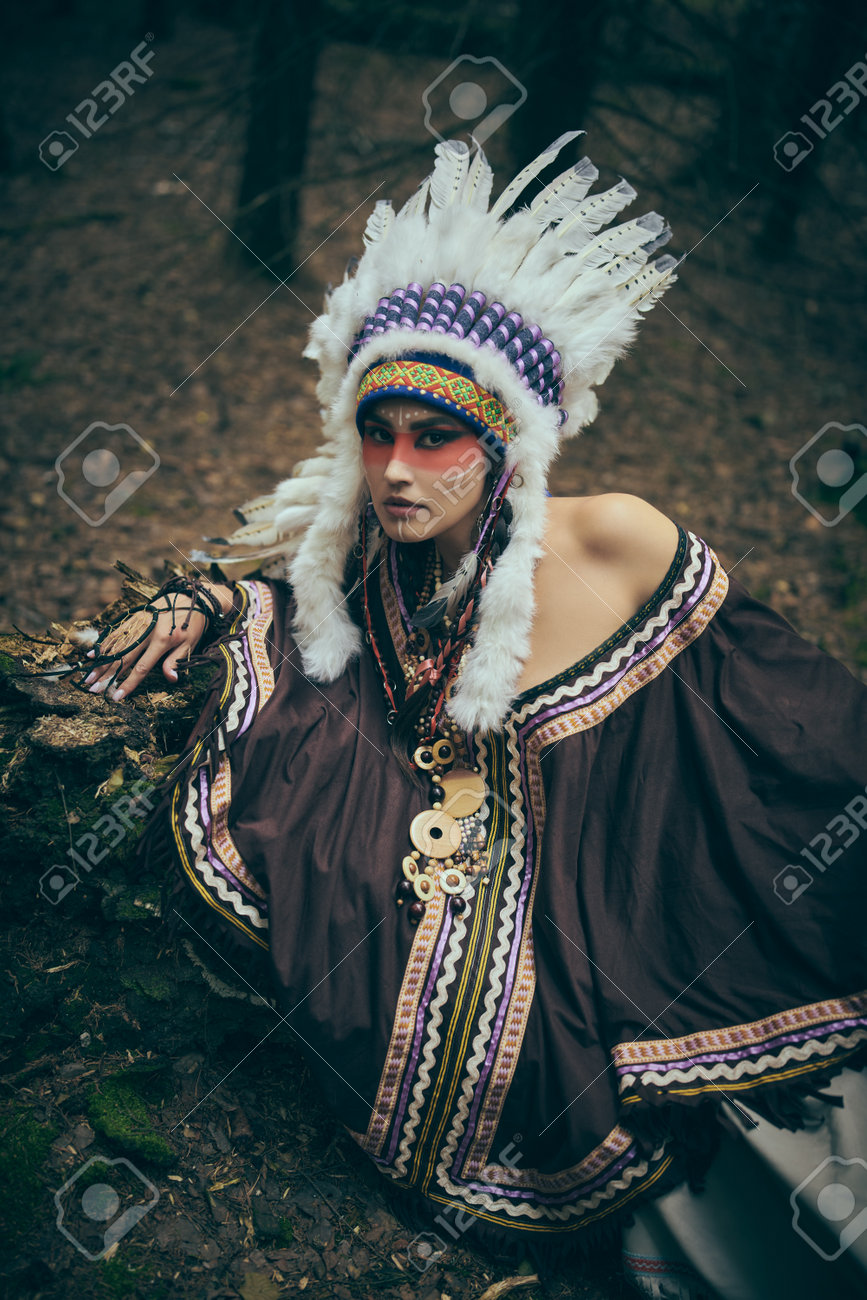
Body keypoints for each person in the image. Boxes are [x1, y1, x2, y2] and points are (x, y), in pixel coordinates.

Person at [80, 135, 867, 1298]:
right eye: (376, 432)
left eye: (435, 435)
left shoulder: (616, 541)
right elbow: (288, 606)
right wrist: (210, 597)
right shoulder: (365, 572)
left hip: (643, 944)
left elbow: (782, 719)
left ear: (507, 438)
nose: (397, 469)